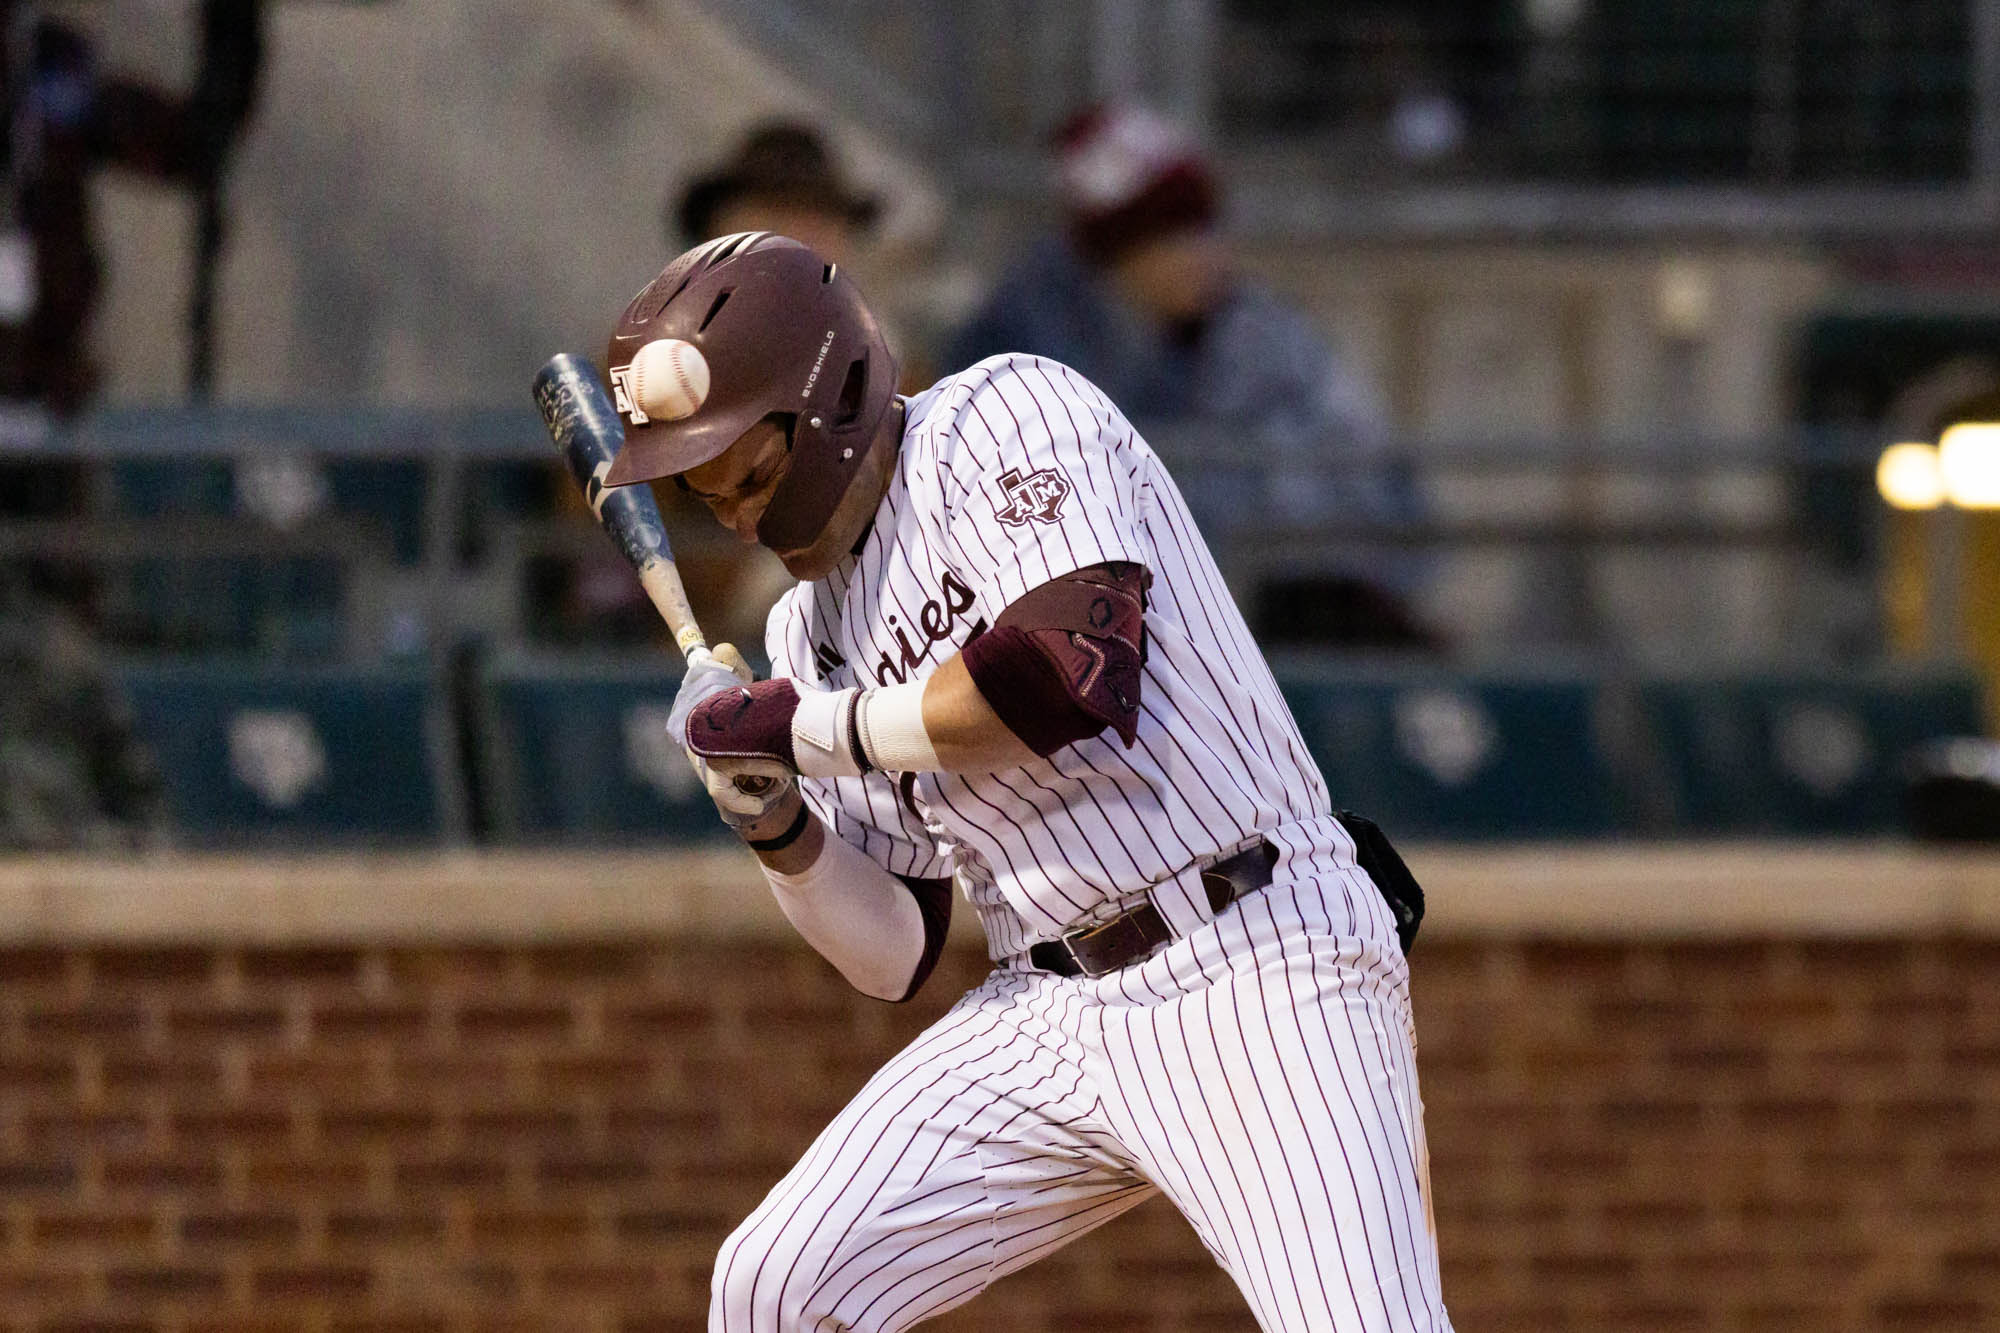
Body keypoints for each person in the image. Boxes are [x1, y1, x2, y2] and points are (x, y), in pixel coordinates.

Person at [597, 231, 1448, 1331]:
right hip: (1040, 1009)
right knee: (774, 1289)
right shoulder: (802, 629)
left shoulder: (1001, 416)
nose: (741, 514)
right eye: (714, 498)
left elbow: (1069, 672)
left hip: (1252, 949)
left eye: (752, 476)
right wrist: (775, 825)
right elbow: (896, 945)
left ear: (830, 401)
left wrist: (806, 731)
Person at [946, 104, 1436, 649]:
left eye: (1206, 230)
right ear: (1121, 257)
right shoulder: (1031, 341)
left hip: (1287, 615)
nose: (1206, 256)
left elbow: (1382, 498)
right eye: (1176, 236)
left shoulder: (1256, 333)